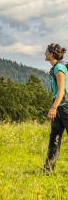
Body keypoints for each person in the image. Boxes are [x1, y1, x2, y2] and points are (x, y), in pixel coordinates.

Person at [36, 43, 68, 174]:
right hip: (59, 107)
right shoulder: (55, 67)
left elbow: (61, 90)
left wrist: (53, 107)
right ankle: (48, 170)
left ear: (52, 54)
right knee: (54, 138)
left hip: (64, 107)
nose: (45, 54)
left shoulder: (59, 67)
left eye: (46, 52)